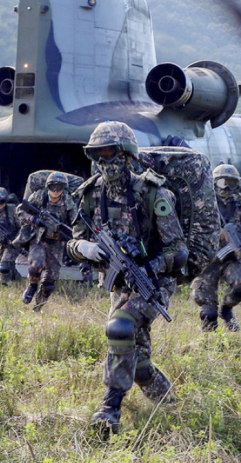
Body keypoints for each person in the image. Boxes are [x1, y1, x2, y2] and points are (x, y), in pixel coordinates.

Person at [68, 122, 188, 435]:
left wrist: (151, 267)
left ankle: (109, 410)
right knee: (136, 359)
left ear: (127, 155)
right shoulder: (90, 195)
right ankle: (169, 403)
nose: (105, 162)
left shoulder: (152, 193)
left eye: (110, 154)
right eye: (98, 155)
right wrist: (86, 248)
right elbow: (73, 241)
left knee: (120, 328)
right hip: (118, 284)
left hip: (154, 283)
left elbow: (179, 251)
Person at [192, 164, 241, 332]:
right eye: (223, 182)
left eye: (232, 183)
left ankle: (226, 310)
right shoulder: (203, 204)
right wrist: (215, 234)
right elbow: (192, 229)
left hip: (230, 259)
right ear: (214, 183)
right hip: (207, 260)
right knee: (207, 312)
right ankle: (211, 343)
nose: (227, 187)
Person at [15, 172, 77, 311]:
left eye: (59, 188)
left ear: (64, 188)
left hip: (57, 243)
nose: (55, 191)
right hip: (39, 239)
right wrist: (33, 219)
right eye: (52, 187)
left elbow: (75, 221)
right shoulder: (39, 196)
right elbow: (20, 210)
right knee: (36, 265)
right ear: (47, 186)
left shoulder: (68, 201)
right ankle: (32, 286)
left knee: (50, 281)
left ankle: (38, 307)